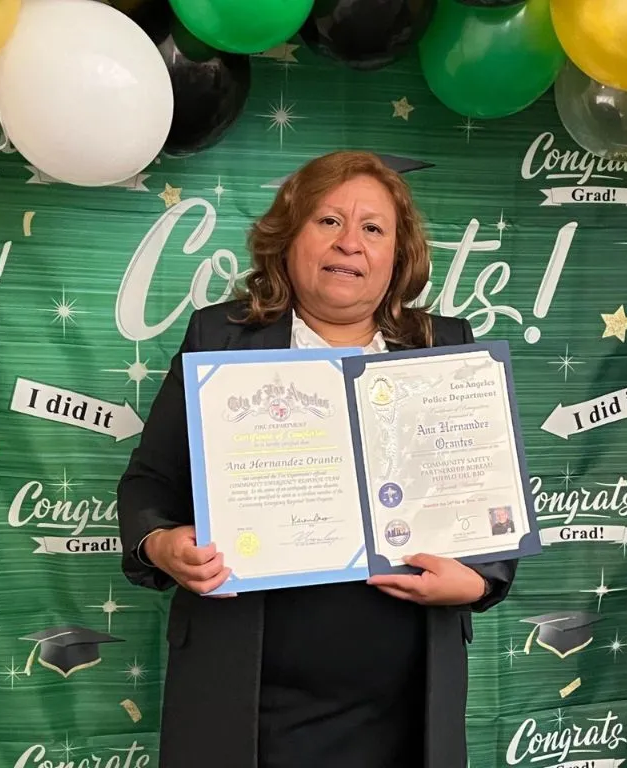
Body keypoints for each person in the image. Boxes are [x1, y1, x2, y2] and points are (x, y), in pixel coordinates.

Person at [116, 150, 518, 768]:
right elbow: (150, 483)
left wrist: (481, 579)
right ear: (288, 238)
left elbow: (487, 495)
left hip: (402, 705)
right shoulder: (219, 338)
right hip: (246, 696)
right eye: (328, 221)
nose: (349, 242)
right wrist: (162, 544)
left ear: (398, 256)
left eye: (373, 228)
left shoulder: (446, 345)